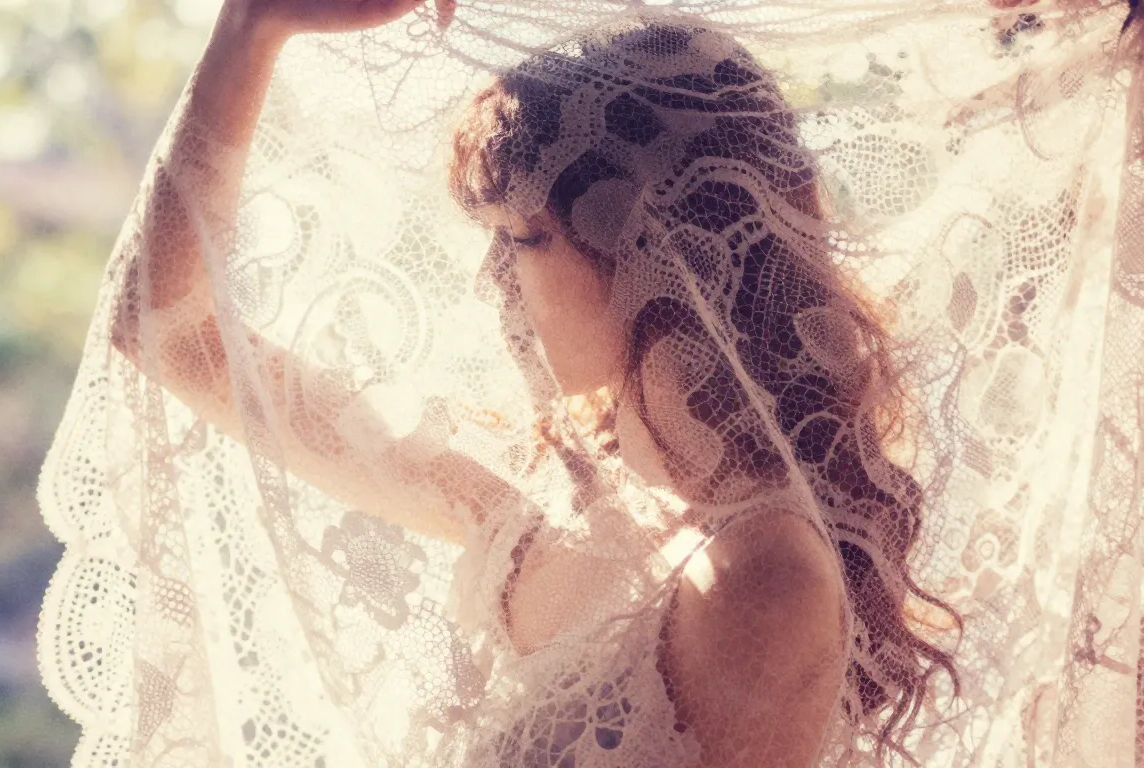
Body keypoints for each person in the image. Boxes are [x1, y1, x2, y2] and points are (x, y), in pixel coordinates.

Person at [102, 0, 965, 765]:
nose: (494, 282)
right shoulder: (533, 495)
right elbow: (166, 336)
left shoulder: (762, 582)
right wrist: (252, 29)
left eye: (522, 239)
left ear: (652, 243)